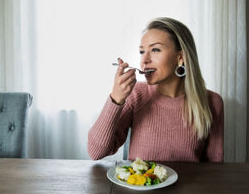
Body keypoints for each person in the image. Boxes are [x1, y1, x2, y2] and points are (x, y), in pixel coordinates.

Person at [88, 17, 224, 162]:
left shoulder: (212, 102)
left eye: (155, 50)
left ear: (181, 57)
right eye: (141, 52)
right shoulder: (136, 95)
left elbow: (214, 167)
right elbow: (96, 153)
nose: (144, 60)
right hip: (141, 185)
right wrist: (115, 99)